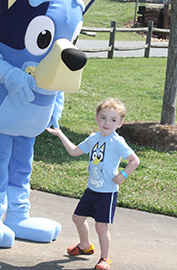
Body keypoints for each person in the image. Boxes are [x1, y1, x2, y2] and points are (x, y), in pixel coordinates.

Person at [46, 97, 140, 270]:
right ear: (97, 118)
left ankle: (105, 258)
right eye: (103, 117)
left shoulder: (117, 142)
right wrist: (60, 133)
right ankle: (85, 246)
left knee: (101, 226)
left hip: (107, 192)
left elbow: (134, 160)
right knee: (78, 218)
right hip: (92, 189)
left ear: (120, 123)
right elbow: (74, 151)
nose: (107, 122)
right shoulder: (93, 138)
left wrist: (122, 176)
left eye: (113, 120)